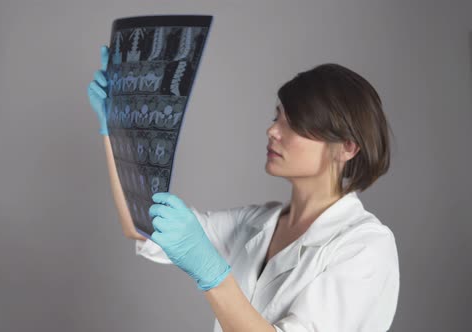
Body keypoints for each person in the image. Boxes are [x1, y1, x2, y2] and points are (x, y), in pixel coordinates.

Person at [88, 45, 399, 332]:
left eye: (295, 123)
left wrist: (213, 276)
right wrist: (116, 129)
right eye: (277, 117)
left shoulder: (364, 246)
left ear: (347, 147)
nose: (273, 131)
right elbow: (139, 226)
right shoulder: (256, 224)